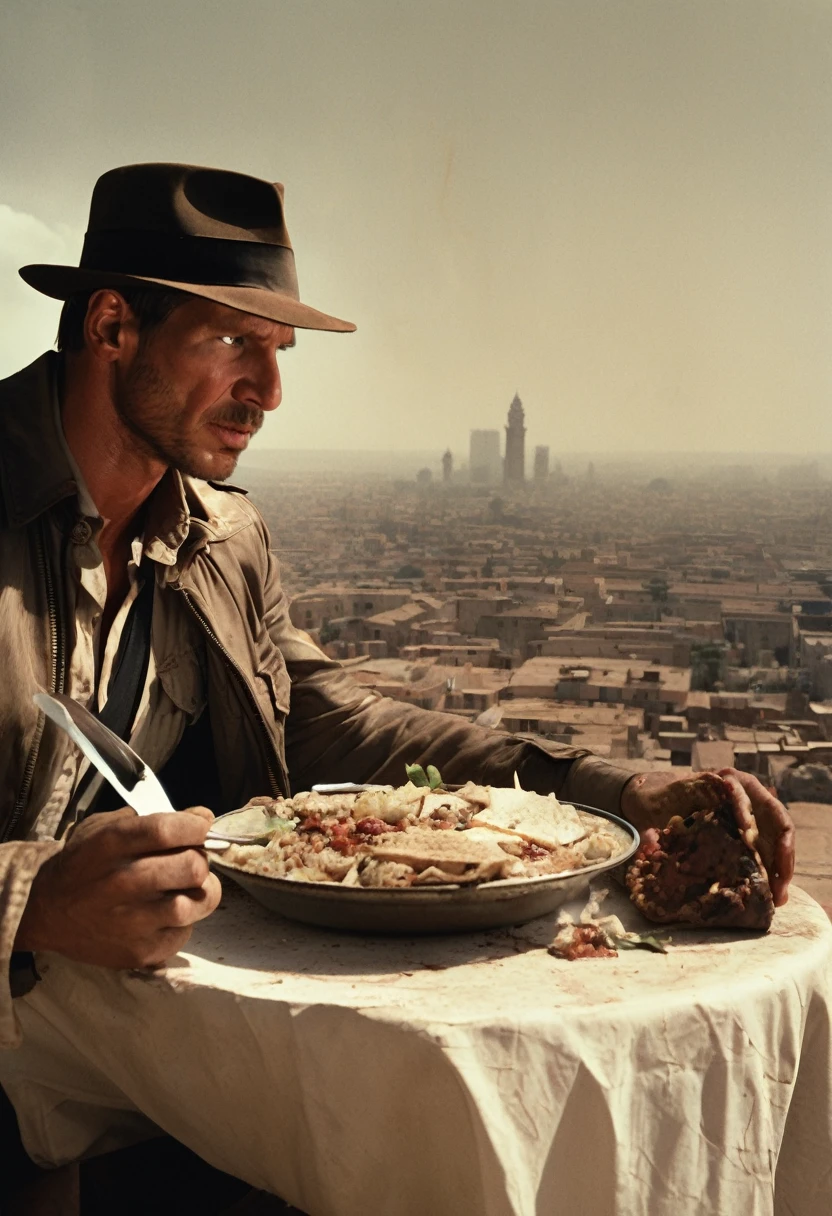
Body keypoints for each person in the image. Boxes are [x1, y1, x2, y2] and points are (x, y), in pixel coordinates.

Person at [0, 162, 793, 1041]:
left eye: (278, 352)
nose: (268, 391)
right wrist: (31, 900)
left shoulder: (223, 539)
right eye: (234, 342)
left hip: (147, 1038)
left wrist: (615, 791)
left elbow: (331, 725)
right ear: (113, 325)